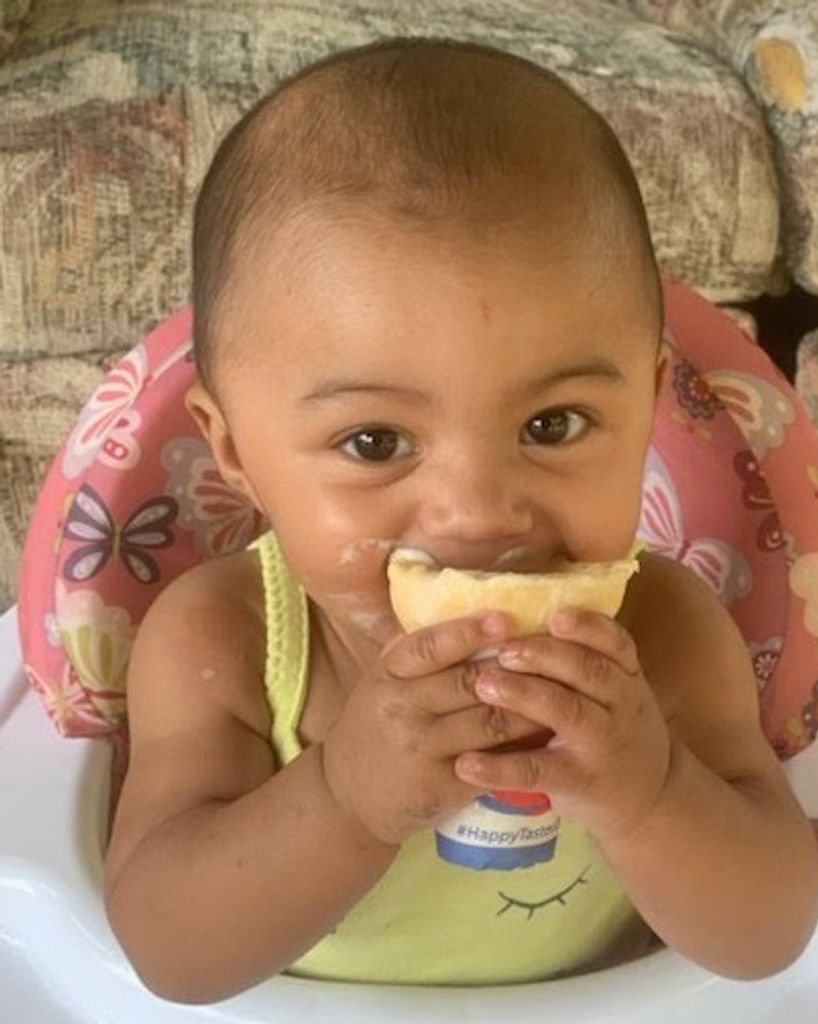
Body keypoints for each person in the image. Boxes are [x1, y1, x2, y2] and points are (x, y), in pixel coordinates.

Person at [102, 37, 818, 1003]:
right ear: (232, 452)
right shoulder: (221, 641)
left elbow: (771, 935)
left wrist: (651, 794)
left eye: (552, 425)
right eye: (374, 442)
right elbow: (171, 954)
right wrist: (345, 798)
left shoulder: (669, 632)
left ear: (648, 406)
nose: (479, 515)